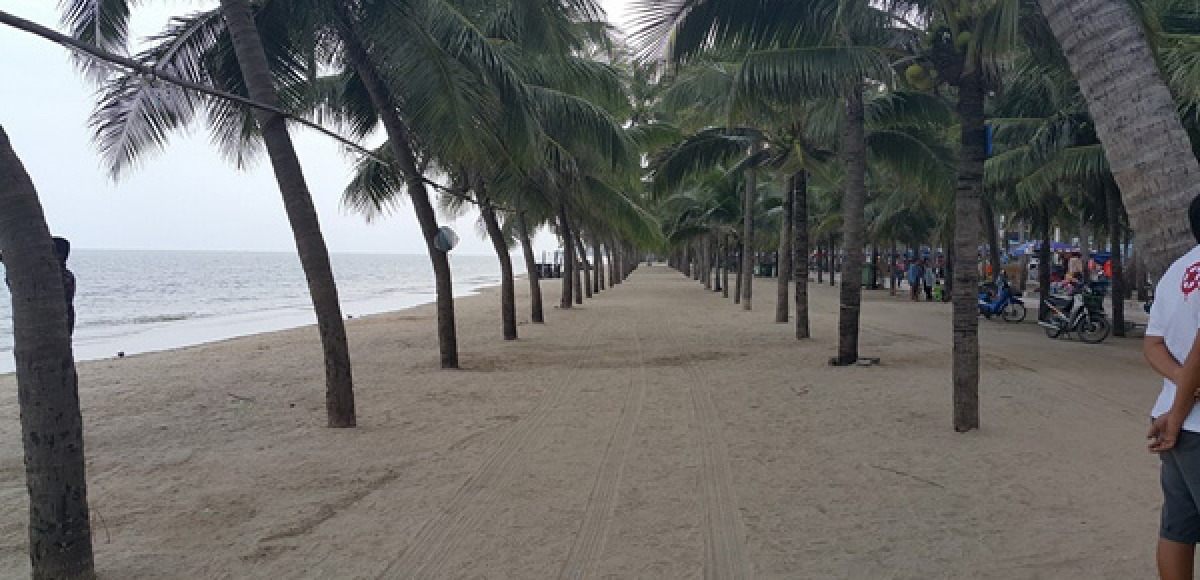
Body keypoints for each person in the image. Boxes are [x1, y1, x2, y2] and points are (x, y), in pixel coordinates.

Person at [1144, 194, 1200, 579]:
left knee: (1178, 528)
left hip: (1172, 419)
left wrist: (1182, 386)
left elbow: (1153, 344)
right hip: (1184, 422)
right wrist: (1182, 408)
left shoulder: (1177, 271)